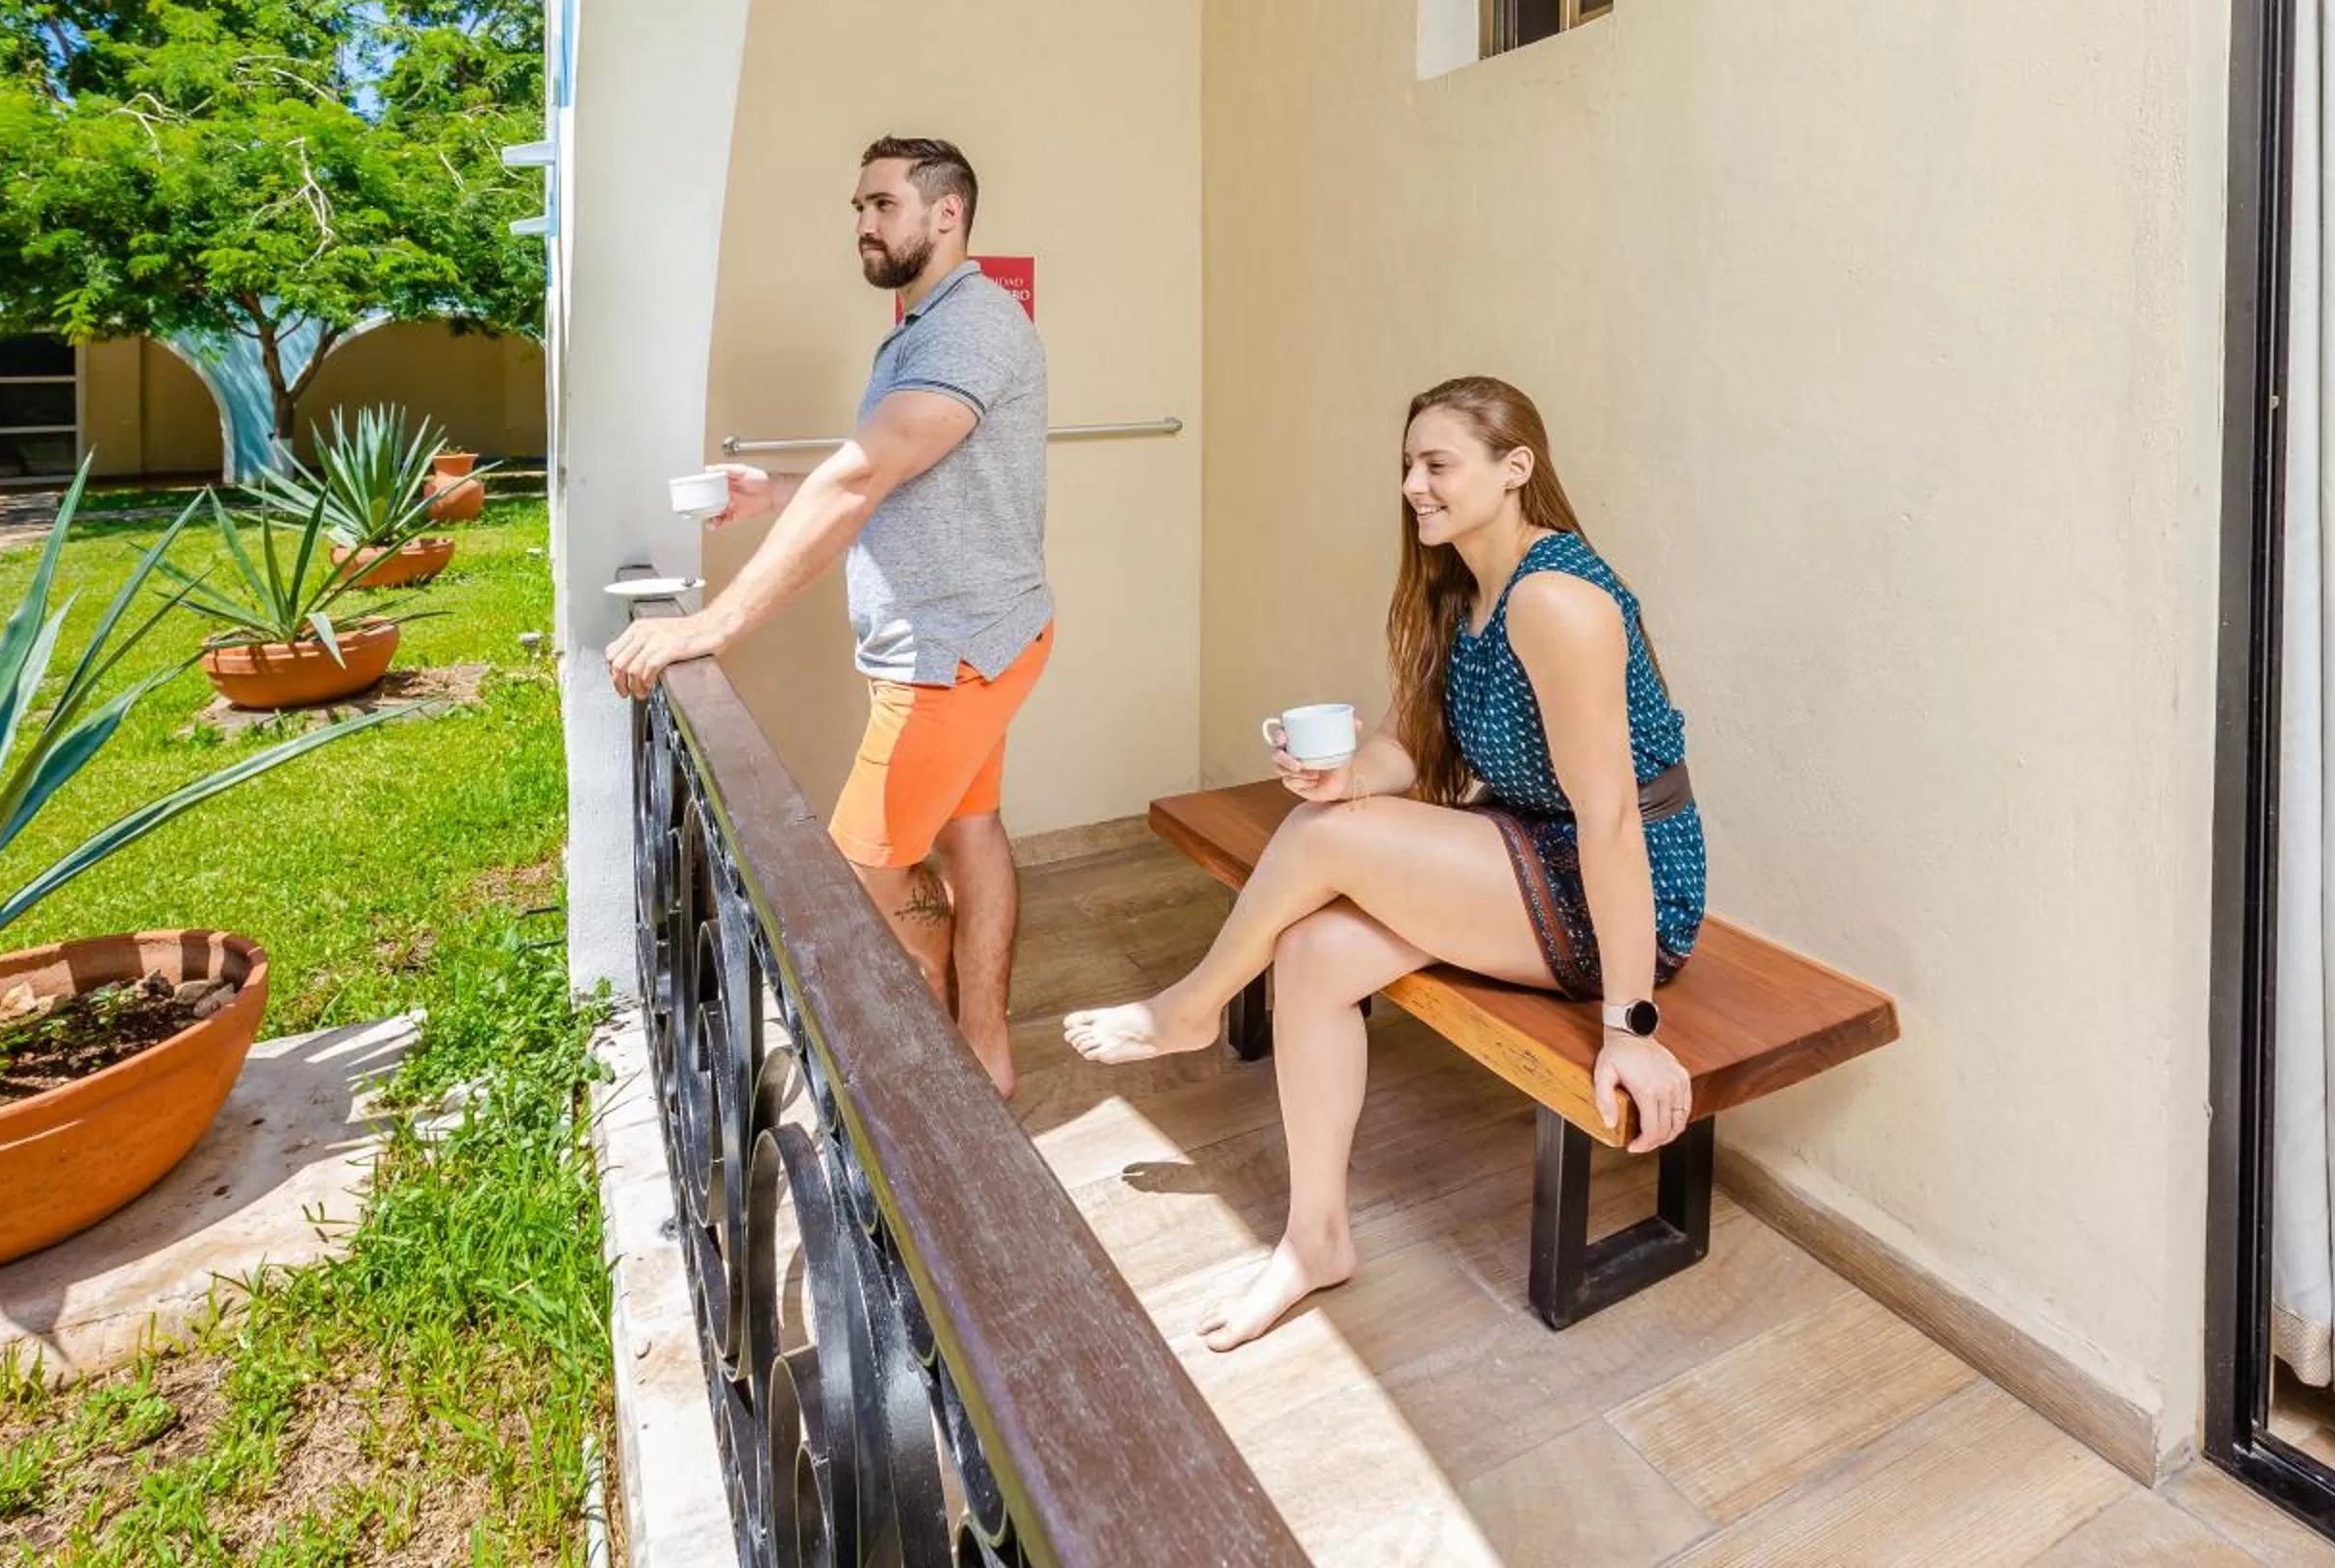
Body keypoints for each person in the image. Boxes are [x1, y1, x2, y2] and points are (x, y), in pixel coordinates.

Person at [1063, 375, 1704, 1349]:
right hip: (1527, 849)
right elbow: (1405, 748)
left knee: (1326, 841)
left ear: (1515, 468)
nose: (1413, 486)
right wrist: (1341, 775)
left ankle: (1189, 1007)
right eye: (1409, 465)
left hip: (1622, 893)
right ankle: (1315, 1238)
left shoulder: (1557, 599)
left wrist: (1631, 1026)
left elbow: (1612, 822)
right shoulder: (1457, 591)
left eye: (1438, 464)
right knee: (1313, 951)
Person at [609, 136, 1052, 1097]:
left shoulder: (969, 326)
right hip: (973, 636)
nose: (863, 223)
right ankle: (982, 1054)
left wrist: (710, 625)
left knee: (861, 876)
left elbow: (861, 478)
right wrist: (773, 492)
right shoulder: (923, 327)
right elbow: (897, 471)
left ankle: (938, 1064)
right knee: (970, 830)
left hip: (950, 652)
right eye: (859, 207)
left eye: (883, 204)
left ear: (947, 213)